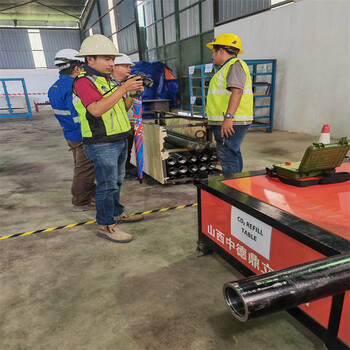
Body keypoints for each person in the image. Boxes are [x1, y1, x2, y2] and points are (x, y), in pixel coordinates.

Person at [73, 34, 144, 243]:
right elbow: (95, 110)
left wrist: (131, 93)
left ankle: (116, 213)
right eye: (106, 58)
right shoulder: (83, 82)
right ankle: (105, 225)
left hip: (119, 139)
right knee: (106, 185)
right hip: (101, 142)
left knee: (117, 181)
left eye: (112, 58)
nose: (112, 63)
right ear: (90, 60)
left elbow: (122, 108)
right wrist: (123, 88)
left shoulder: (107, 80)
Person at [48, 49, 96, 211]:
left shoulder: (55, 86)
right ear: (77, 68)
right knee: (84, 170)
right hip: (82, 135)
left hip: (70, 133)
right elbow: (78, 116)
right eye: (82, 66)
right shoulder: (74, 87)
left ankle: (89, 193)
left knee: (82, 167)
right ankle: (81, 201)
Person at [205, 33, 253, 175]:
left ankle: (232, 189)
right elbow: (221, 98)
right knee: (232, 153)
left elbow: (237, 92)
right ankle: (238, 185)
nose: (212, 56)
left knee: (228, 155)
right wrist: (213, 119)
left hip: (233, 120)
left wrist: (228, 117)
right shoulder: (226, 68)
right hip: (227, 120)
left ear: (221, 51)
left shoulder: (234, 66)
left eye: (213, 52)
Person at [110, 54, 142, 179]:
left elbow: (125, 107)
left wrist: (133, 93)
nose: (129, 69)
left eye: (129, 66)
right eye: (125, 66)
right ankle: (121, 172)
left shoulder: (122, 84)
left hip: (126, 123)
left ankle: (125, 171)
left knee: (126, 150)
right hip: (114, 127)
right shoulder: (110, 85)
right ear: (115, 67)